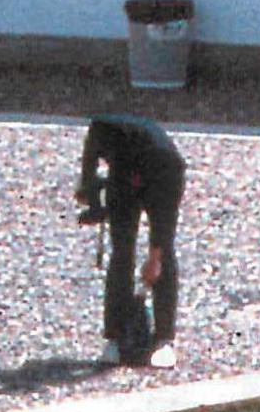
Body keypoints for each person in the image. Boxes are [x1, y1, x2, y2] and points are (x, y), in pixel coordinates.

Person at [75, 113, 184, 368]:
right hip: (123, 181)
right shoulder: (101, 130)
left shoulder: (163, 160)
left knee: (164, 255)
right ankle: (114, 336)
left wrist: (154, 258)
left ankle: (164, 339)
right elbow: (88, 170)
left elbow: (164, 225)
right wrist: (89, 195)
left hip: (162, 179)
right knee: (121, 253)